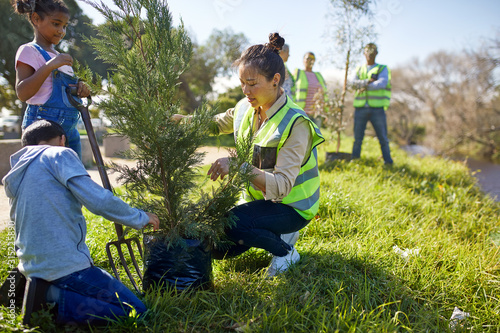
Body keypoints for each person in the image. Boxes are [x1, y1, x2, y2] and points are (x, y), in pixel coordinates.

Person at [177, 33, 325, 277]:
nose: (246, 90)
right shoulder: (247, 106)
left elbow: (282, 187)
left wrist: (237, 167)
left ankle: (285, 250)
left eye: (252, 83)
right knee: (217, 247)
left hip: (292, 205)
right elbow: (215, 124)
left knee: (237, 224)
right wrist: (179, 123)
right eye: (242, 83)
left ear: (275, 80)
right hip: (259, 199)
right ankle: (266, 228)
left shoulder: (296, 123)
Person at [2, 119, 160, 325]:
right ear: (62, 139)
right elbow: (97, 200)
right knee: (136, 311)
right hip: (66, 268)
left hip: (30, 265)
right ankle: (49, 299)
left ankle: (29, 287)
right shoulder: (58, 153)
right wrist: (140, 217)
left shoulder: (16, 173)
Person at [13, 0, 91, 159]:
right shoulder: (29, 51)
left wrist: (80, 88)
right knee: (44, 178)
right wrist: (49, 66)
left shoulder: (58, 56)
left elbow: (67, 91)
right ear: (36, 19)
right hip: (43, 130)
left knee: (72, 177)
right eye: (56, 24)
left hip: (69, 131)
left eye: (64, 26)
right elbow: (22, 93)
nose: (61, 31)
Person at [351, 43, 393, 164]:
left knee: (383, 138)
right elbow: (353, 83)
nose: (369, 54)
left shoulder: (382, 68)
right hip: (360, 108)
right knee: (357, 138)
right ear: (364, 53)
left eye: (372, 52)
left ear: (376, 53)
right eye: (367, 52)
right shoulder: (359, 69)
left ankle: (388, 162)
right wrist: (368, 81)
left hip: (377, 109)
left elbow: (382, 84)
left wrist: (363, 84)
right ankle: (355, 161)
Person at [293, 52, 327, 126]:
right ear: (303, 60)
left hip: (317, 114)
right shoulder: (298, 73)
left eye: (312, 59)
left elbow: (324, 93)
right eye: (308, 58)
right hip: (302, 113)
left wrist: (326, 111)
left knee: (316, 136)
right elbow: (291, 90)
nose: (310, 61)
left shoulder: (319, 75)